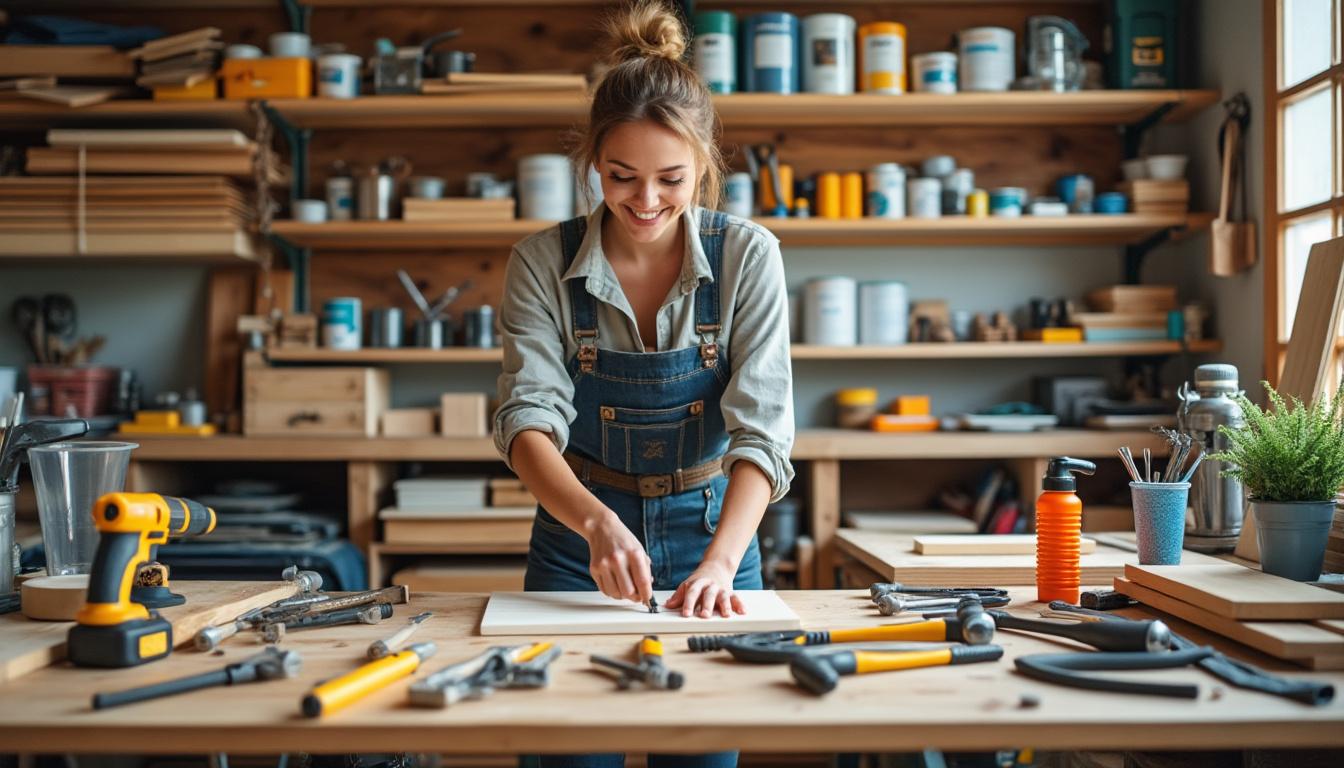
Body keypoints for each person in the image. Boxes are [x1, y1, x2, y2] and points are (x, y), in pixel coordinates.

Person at [494, 1, 792, 760]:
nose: (647, 202)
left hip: (714, 536)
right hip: (576, 536)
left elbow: (763, 431)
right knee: (567, 747)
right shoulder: (542, 262)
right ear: (594, 162)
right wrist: (594, 523)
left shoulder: (748, 257)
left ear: (704, 166)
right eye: (622, 177)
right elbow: (527, 419)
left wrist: (723, 560)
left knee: (701, 746)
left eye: (671, 179)